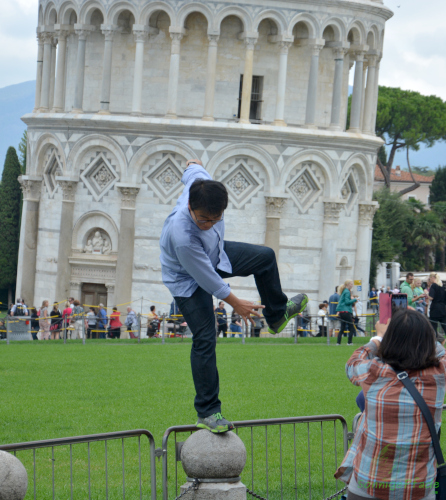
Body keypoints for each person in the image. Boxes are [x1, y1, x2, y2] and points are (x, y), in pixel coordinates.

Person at [159, 158, 308, 433]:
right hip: (186, 278)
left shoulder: (200, 184)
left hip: (214, 255)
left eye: (216, 219)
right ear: (190, 207)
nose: (208, 224)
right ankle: (208, 412)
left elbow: (193, 169)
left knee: (265, 257)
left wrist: (192, 162)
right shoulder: (182, 235)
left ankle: (276, 316)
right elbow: (207, 278)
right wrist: (237, 304)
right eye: (203, 219)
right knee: (205, 337)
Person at [335, 309, 445, 500]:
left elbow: (353, 363)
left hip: (368, 484)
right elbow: (440, 351)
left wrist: (379, 338)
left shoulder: (373, 371)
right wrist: (419, 330)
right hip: (417, 487)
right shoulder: (439, 374)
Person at [336, 280, 357, 346]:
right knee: (351, 327)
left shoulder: (344, 291)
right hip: (346, 311)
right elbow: (347, 302)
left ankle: (338, 343)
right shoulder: (347, 291)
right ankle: (349, 342)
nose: (352, 285)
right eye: (351, 284)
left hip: (341, 312)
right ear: (348, 284)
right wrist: (355, 299)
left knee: (342, 328)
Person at [428, 272, 446, 342]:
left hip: (435, 309)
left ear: (433, 278)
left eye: (430, 278)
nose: (429, 279)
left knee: (433, 329)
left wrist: (426, 293)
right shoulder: (442, 287)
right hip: (442, 309)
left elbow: (431, 298)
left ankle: (434, 344)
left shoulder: (433, 285)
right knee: (444, 326)